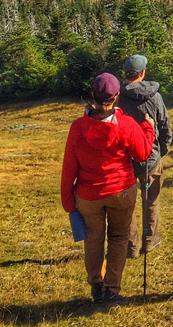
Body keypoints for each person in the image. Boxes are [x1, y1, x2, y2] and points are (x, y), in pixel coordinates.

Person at [61, 72, 154, 305]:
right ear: (117, 97)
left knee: (93, 239)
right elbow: (142, 154)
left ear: (92, 94)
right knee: (119, 237)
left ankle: (97, 285)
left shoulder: (78, 128)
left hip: (87, 195)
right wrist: (149, 129)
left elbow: (69, 167)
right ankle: (112, 289)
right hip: (121, 191)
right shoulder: (127, 125)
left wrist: (67, 201)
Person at [118, 54, 173, 257]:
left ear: (126, 74)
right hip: (151, 159)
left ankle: (131, 246)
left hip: (126, 162)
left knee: (128, 205)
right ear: (143, 73)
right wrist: (160, 151)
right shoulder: (155, 97)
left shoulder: (117, 98)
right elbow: (166, 128)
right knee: (151, 201)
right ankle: (150, 240)